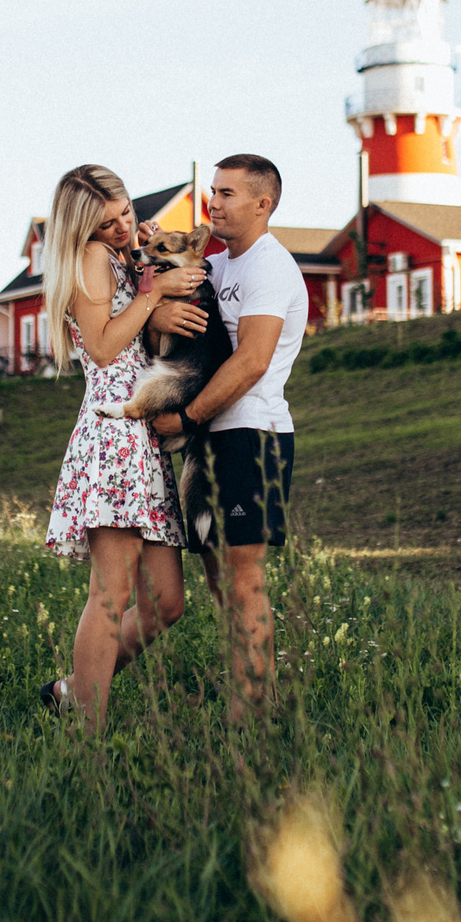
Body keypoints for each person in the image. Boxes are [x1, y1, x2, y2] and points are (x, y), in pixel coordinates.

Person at [38, 164, 207, 731]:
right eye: (105, 222)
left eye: (125, 213)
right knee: (109, 593)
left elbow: (131, 319)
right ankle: (87, 729)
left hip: (141, 435)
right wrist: (153, 294)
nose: (119, 227)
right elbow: (107, 348)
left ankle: (71, 690)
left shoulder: (117, 257)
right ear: (80, 227)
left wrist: (143, 264)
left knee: (166, 601)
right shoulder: (89, 258)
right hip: (114, 437)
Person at [139, 154, 307, 722]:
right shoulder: (221, 264)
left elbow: (252, 362)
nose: (215, 201)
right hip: (210, 437)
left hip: (250, 436)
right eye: (213, 190)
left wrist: (186, 422)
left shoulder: (270, 267)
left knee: (242, 578)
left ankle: (250, 717)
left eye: (229, 193)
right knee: (217, 578)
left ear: (263, 204)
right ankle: (257, 695)